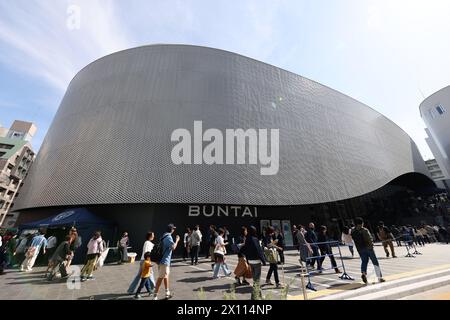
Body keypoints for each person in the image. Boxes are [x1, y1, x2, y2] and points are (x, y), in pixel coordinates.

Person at [351, 217, 385, 284]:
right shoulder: (364, 230)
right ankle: (379, 277)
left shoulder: (353, 231)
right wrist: (371, 246)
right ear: (361, 223)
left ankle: (363, 273)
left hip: (360, 249)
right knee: (375, 262)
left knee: (364, 261)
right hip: (369, 248)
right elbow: (369, 239)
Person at [152, 224, 180, 300]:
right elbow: (173, 247)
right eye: (173, 229)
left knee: (165, 276)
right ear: (171, 229)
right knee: (161, 277)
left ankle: (167, 293)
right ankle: (155, 295)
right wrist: (177, 240)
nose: (174, 230)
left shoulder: (164, 235)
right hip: (164, 261)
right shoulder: (168, 237)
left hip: (163, 260)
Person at [240, 226, 267, 300]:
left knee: (255, 279)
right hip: (256, 261)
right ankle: (253, 297)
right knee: (257, 280)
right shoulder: (255, 239)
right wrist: (263, 260)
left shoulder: (247, 239)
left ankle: (260, 296)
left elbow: (244, 249)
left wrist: (247, 259)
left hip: (250, 261)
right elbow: (259, 250)